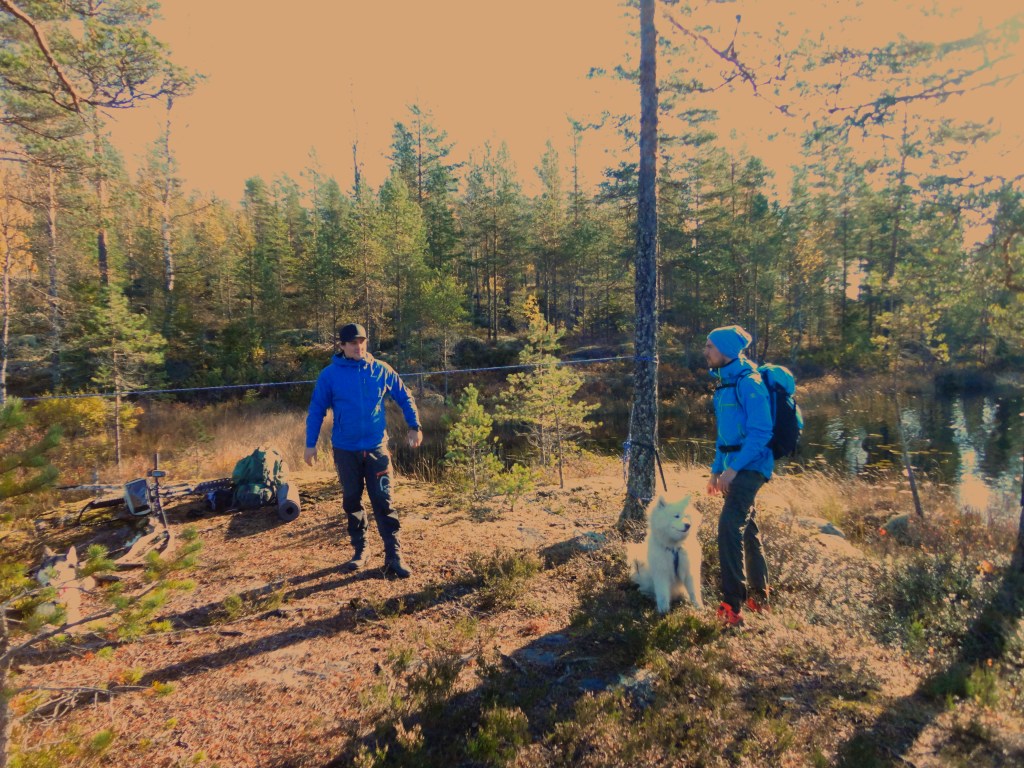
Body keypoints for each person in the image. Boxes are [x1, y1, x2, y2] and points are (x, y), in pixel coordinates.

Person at [305, 323, 423, 578]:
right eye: (352, 343)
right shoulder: (329, 375)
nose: (358, 346)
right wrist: (310, 444)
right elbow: (316, 410)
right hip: (345, 449)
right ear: (342, 346)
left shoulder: (381, 369)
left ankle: (394, 556)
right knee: (352, 500)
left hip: (376, 448)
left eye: (362, 341)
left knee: (384, 501)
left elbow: (404, 396)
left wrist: (414, 426)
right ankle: (361, 550)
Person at [703, 325, 773, 626]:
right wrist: (716, 470)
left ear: (726, 350)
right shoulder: (724, 384)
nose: (705, 351)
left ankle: (732, 606)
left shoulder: (749, 382)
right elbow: (725, 436)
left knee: (729, 527)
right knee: (746, 528)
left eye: (710, 346)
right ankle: (760, 597)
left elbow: (761, 433)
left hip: (752, 466)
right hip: (733, 467)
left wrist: (733, 470)